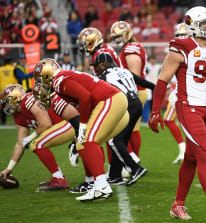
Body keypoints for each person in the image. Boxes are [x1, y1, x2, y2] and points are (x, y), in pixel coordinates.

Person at [148, 6, 206, 221]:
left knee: (192, 158)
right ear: (192, 26)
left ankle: (177, 205)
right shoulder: (182, 46)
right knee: (205, 152)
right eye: (205, 23)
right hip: (188, 106)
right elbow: (162, 79)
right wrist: (155, 112)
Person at [33, 58, 129, 201]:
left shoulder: (58, 80)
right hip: (115, 103)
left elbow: (86, 97)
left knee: (88, 140)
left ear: (46, 75)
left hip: (110, 99)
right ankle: (95, 183)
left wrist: (83, 125)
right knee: (82, 143)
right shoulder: (64, 76)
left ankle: (101, 186)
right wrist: (76, 137)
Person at [0, 84, 77, 191]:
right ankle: (59, 178)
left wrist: (31, 137)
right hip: (61, 126)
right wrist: (9, 168)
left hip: (70, 122)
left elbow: (46, 124)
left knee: (37, 144)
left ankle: (60, 180)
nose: (7, 105)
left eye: (7, 101)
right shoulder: (18, 115)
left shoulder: (29, 100)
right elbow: (20, 143)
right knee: (37, 144)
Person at [92, 52, 148, 185]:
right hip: (137, 104)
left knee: (113, 141)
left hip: (126, 106)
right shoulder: (124, 71)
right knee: (120, 140)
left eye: (97, 65)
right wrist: (157, 88)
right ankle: (115, 175)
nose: (96, 68)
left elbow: (98, 96)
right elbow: (142, 82)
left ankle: (135, 168)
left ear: (104, 64)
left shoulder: (105, 76)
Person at [111, 21, 152, 162]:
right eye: (114, 36)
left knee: (120, 128)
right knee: (133, 128)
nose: (116, 39)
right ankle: (134, 159)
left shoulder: (131, 49)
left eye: (119, 36)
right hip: (137, 92)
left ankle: (132, 158)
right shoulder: (130, 47)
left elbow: (133, 76)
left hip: (134, 92)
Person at [164, 23, 187, 164]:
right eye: (178, 36)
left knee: (168, 119)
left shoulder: (184, 52)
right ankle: (185, 150)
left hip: (182, 92)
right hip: (180, 90)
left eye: (183, 35)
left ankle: (184, 150)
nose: (180, 38)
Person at [0, 56, 18, 124]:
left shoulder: (0, 69)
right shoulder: (13, 68)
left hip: (3, 89)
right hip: (13, 88)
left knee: (3, 105)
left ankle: (3, 121)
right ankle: (18, 120)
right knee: (16, 105)